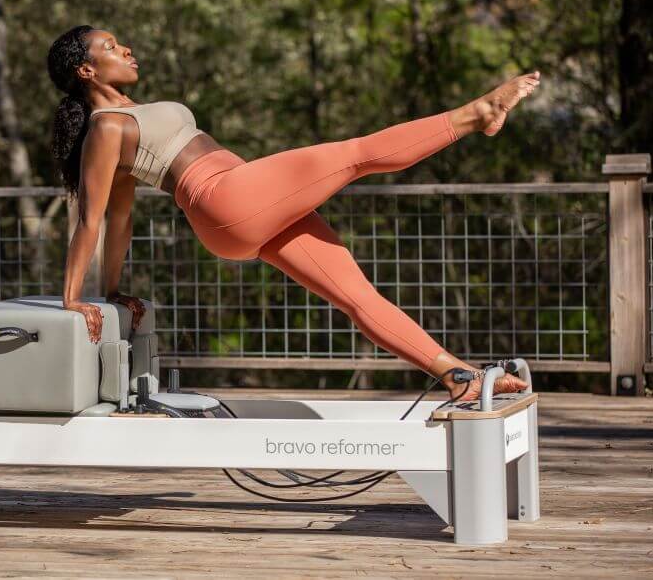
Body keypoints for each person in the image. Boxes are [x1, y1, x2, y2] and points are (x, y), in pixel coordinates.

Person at [48, 24, 540, 402]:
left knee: (356, 296)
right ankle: (478, 114)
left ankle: (457, 376)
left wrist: (113, 291)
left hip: (242, 208)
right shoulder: (106, 126)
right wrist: (75, 298)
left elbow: (122, 221)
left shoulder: (127, 114)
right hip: (223, 199)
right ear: (86, 71)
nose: (126, 49)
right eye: (111, 47)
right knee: (354, 153)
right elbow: (98, 218)